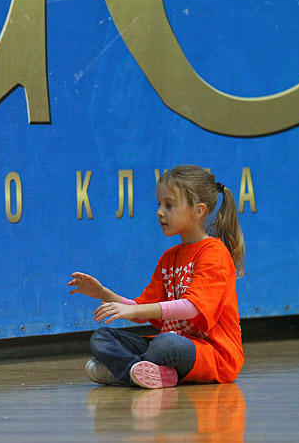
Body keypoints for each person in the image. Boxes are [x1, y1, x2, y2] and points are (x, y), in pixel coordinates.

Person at [68, 165, 245, 389]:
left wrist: (135, 310)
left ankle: (125, 371)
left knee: (166, 343)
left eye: (169, 205)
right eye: (159, 204)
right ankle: (140, 372)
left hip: (212, 354)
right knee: (102, 337)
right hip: (169, 347)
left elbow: (192, 307)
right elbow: (141, 311)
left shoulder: (215, 253)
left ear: (198, 210)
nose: (160, 212)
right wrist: (103, 293)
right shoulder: (168, 258)